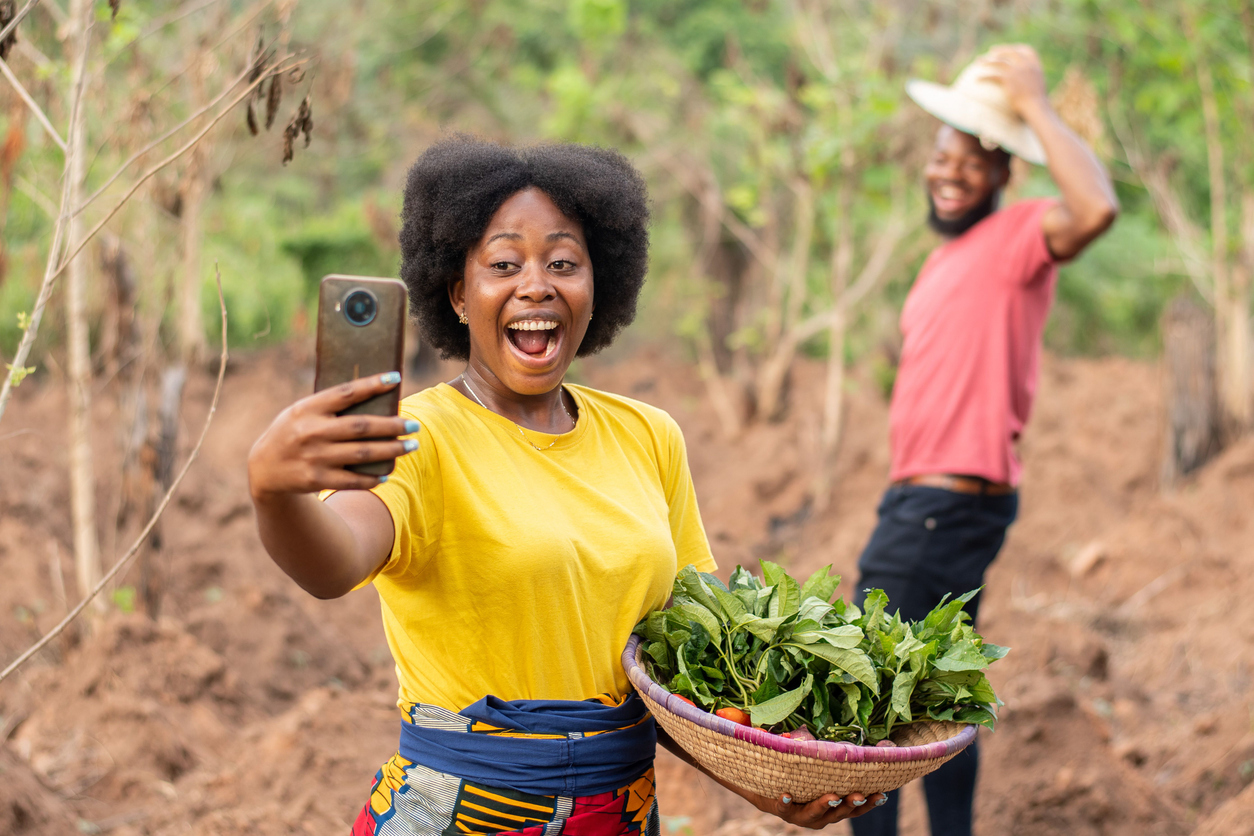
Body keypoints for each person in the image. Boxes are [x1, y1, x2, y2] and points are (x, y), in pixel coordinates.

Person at [247, 137, 884, 836]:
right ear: (459, 294)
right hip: (458, 816)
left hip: (620, 817)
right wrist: (273, 492)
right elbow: (334, 562)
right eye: (502, 264)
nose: (535, 285)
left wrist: (758, 779)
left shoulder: (649, 436)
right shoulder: (419, 436)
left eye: (562, 262)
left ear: (596, 283)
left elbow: (679, 668)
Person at [849, 45, 1118, 836]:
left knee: (872, 696)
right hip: (927, 501)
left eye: (972, 160)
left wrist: (1036, 106)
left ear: (1003, 173)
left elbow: (1097, 207)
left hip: (941, 504)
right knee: (939, 691)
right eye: (941, 156)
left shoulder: (1022, 234)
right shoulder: (942, 261)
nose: (949, 171)